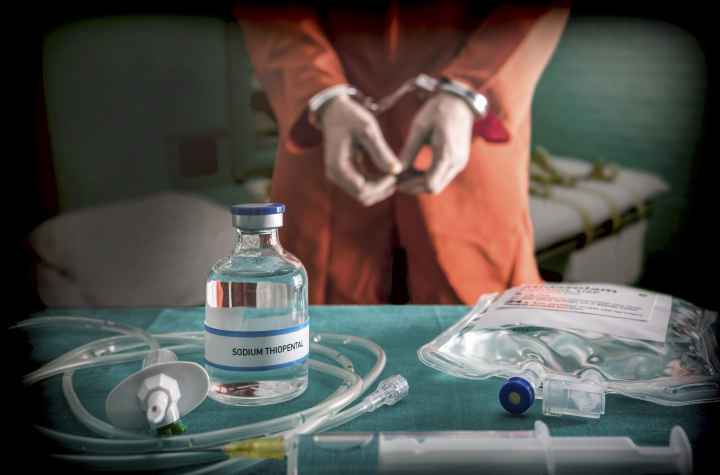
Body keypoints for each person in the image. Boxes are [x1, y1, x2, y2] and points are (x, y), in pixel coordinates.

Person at [234, 1, 570, 304]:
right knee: (316, 326)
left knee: (480, 320)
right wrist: (321, 93)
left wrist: (471, 90)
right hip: (327, 136)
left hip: (467, 134)